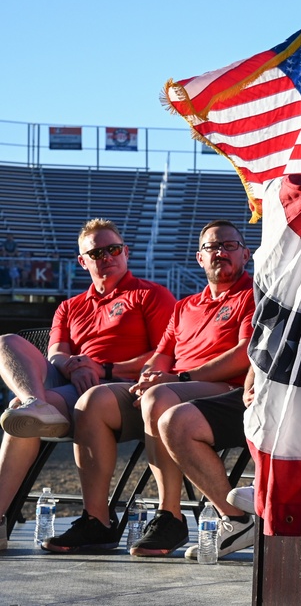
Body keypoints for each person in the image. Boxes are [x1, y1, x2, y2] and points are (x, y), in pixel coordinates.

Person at [40, 220, 255, 555]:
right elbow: (162, 355)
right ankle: (97, 521)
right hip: (176, 388)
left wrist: (179, 378)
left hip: (223, 390)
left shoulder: (251, 295)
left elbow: (245, 354)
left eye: (229, 246)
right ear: (200, 258)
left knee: (158, 395)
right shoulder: (185, 306)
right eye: (212, 247)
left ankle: (170, 515)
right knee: (92, 401)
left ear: (246, 254)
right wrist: (149, 376)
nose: (220, 252)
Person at [0, 219, 176, 550]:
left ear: (126, 252)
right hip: (73, 386)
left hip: (125, 390)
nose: (106, 256)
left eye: (113, 249)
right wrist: (73, 364)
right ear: (83, 261)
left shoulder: (151, 295)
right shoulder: (69, 306)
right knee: (7, 346)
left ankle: (36, 408)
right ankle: (35, 404)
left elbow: (166, 354)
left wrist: (102, 367)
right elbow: (56, 353)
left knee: (26, 411)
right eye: (96, 252)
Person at [159, 368, 258, 560]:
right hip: (264, 394)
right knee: (177, 422)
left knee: (158, 397)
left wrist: (181, 377)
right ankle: (236, 521)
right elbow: (258, 353)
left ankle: (276, 496)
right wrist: (249, 390)